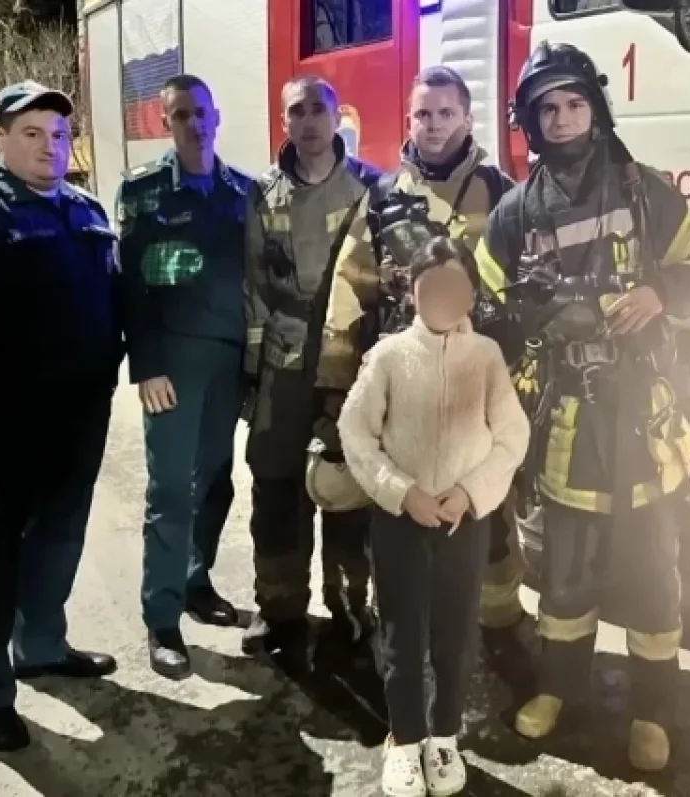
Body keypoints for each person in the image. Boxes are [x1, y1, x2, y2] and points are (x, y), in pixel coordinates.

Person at [473, 42, 690, 771]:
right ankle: (558, 690)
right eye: (547, 109)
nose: (561, 119)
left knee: (651, 570)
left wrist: (660, 294)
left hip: (643, 415)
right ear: (530, 122)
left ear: (596, 109)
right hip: (567, 418)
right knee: (567, 571)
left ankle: (653, 712)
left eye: (574, 104)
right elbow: (485, 304)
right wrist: (521, 322)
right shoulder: (516, 212)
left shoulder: (646, 193)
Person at [0, 81, 124, 752]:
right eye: (32, 133)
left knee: (58, 536)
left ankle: (40, 646)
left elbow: (111, 300)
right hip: (3, 424)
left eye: (59, 134)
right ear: (0, 139)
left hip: (80, 414)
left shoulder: (85, 209)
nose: (49, 146)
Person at [321, 65, 525, 635]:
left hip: (476, 379)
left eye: (446, 113)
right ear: (409, 120)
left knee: (487, 507)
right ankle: (401, 631)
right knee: (398, 506)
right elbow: (348, 287)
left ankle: (500, 622)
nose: (433, 125)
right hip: (403, 380)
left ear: (467, 118)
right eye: (422, 114)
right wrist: (335, 382)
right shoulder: (383, 197)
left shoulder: (503, 194)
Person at [337, 236, 530, 797]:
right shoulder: (389, 356)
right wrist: (402, 493)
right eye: (431, 286)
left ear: (471, 293)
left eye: (455, 286)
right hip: (400, 522)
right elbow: (356, 433)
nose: (443, 297)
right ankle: (404, 739)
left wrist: (470, 493)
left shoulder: (486, 357)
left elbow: (511, 437)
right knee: (401, 635)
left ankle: (444, 736)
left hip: (463, 523)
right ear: (412, 291)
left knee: (455, 636)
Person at [242, 75, 380, 668]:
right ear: (284, 122)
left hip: (348, 366)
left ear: (336, 116)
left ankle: (350, 613)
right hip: (283, 367)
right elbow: (253, 289)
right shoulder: (263, 195)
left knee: (348, 494)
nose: (308, 122)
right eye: (296, 112)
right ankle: (279, 612)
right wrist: (252, 380)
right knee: (276, 492)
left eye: (318, 110)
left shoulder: (371, 188)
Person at [116, 74, 250, 680]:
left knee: (215, 482)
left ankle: (196, 582)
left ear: (215, 116)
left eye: (201, 112)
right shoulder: (143, 191)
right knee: (170, 491)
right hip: (171, 364)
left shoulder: (242, 191)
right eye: (180, 115)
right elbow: (130, 285)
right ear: (165, 122)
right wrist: (146, 365)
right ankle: (162, 617)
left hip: (227, 360)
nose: (194, 124)